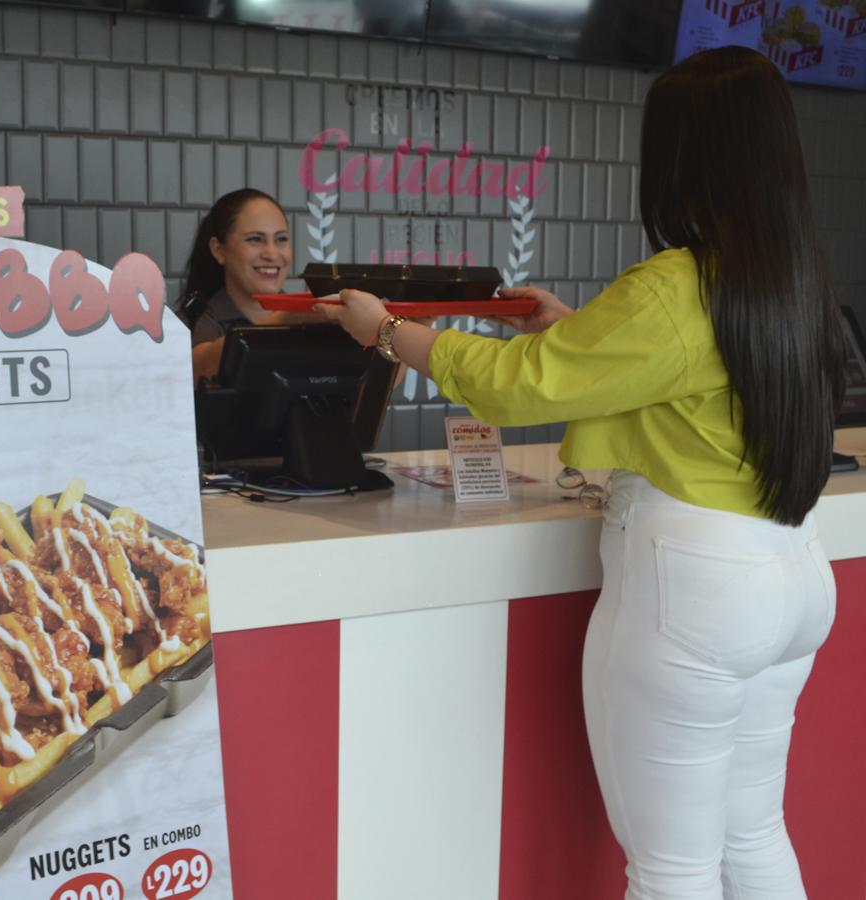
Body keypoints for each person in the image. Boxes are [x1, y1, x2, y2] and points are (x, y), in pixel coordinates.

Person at [318, 46, 846, 900]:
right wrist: (579, 331)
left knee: (672, 871)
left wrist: (389, 333)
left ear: (682, 156)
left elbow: (516, 387)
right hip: (793, 575)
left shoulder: (679, 284)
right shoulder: (789, 276)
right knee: (753, 834)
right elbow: (671, 374)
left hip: (696, 589)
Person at [176, 188, 299, 383]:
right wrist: (288, 317)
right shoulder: (191, 323)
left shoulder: (307, 317)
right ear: (218, 250)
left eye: (281, 239)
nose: (272, 254)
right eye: (255, 240)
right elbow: (202, 366)